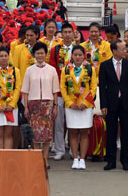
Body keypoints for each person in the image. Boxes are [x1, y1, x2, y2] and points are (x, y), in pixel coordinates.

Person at [99, 40, 128, 171]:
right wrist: (103, 104)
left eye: (125, 49)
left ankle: (125, 160)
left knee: (126, 132)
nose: (125, 52)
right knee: (111, 132)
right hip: (111, 103)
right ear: (114, 51)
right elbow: (102, 88)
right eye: (122, 49)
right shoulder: (105, 65)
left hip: (126, 102)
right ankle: (111, 161)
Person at [21, 42, 59, 169]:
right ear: (34, 54)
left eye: (42, 53)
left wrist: (55, 106)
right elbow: (25, 90)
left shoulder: (52, 70)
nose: (40, 55)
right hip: (34, 104)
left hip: (47, 104)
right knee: (35, 134)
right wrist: (25, 107)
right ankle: (37, 159)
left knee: (47, 133)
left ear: (45, 54)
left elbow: (55, 91)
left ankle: (45, 160)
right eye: (37, 53)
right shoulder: (29, 70)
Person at [60, 45, 97, 170]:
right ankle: (75, 158)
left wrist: (85, 103)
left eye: (80, 55)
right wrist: (70, 103)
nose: (77, 57)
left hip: (85, 106)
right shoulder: (65, 70)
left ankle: (83, 158)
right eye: (75, 55)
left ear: (84, 56)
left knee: (84, 132)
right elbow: (63, 88)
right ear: (71, 56)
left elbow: (93, 88)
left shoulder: (90, 69)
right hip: (71, 106)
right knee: (73, 132)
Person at [0, 47, 22, 149]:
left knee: (8, 133)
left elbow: (17, 88)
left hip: (11, 107)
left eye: (6, 56)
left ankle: (7, 158)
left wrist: (12, 104)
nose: (4, 58)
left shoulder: (16, 71)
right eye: (1, 56)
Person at [49, 22, 75, 161]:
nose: (67, 35)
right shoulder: (55, 50)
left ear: (73, 33)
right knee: (58, 122)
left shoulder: (79, 49)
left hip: (74, 92)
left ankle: (73, 149)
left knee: (73, 123)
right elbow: (52, 70)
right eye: (64, 32)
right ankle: (59, 149)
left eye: (69, 32)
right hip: (59, 91)